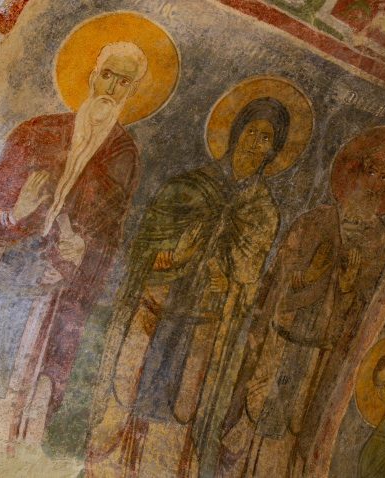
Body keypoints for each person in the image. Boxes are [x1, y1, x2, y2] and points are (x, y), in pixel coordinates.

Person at [0, 41, 145, 459]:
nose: (112, 87)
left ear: (133, 90)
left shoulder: (125, 156)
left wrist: (82, 248)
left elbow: (108, 235)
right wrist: (13, 215)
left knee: (10, 395)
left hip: (45, 295)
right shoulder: (39, 130)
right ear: (90, 75)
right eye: (107, 75)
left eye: (124, 82)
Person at [85, 97, 291, 478]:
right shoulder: (186, 188)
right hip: (155, 312)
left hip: (205, 325)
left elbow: (248, 282)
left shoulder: (262, 212)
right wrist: (175, 257)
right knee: (131, 389)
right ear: (235, 131)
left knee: (179, 409)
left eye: (267, 139)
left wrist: (225, 278)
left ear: (274, 150)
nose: (256, 144)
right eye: (252, 132)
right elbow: (141, 256)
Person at [214, 144, 385, 478]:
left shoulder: (379, 240)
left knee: (290, 437)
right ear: (357, 172)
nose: (374, 182)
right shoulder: (313, 220)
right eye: (371, 171)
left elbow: (362, 311)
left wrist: (347, 287)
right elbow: (275, 288)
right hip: (279, 342)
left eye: (384, 177)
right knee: (253, 418)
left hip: (319, 356)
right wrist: (312, 275)